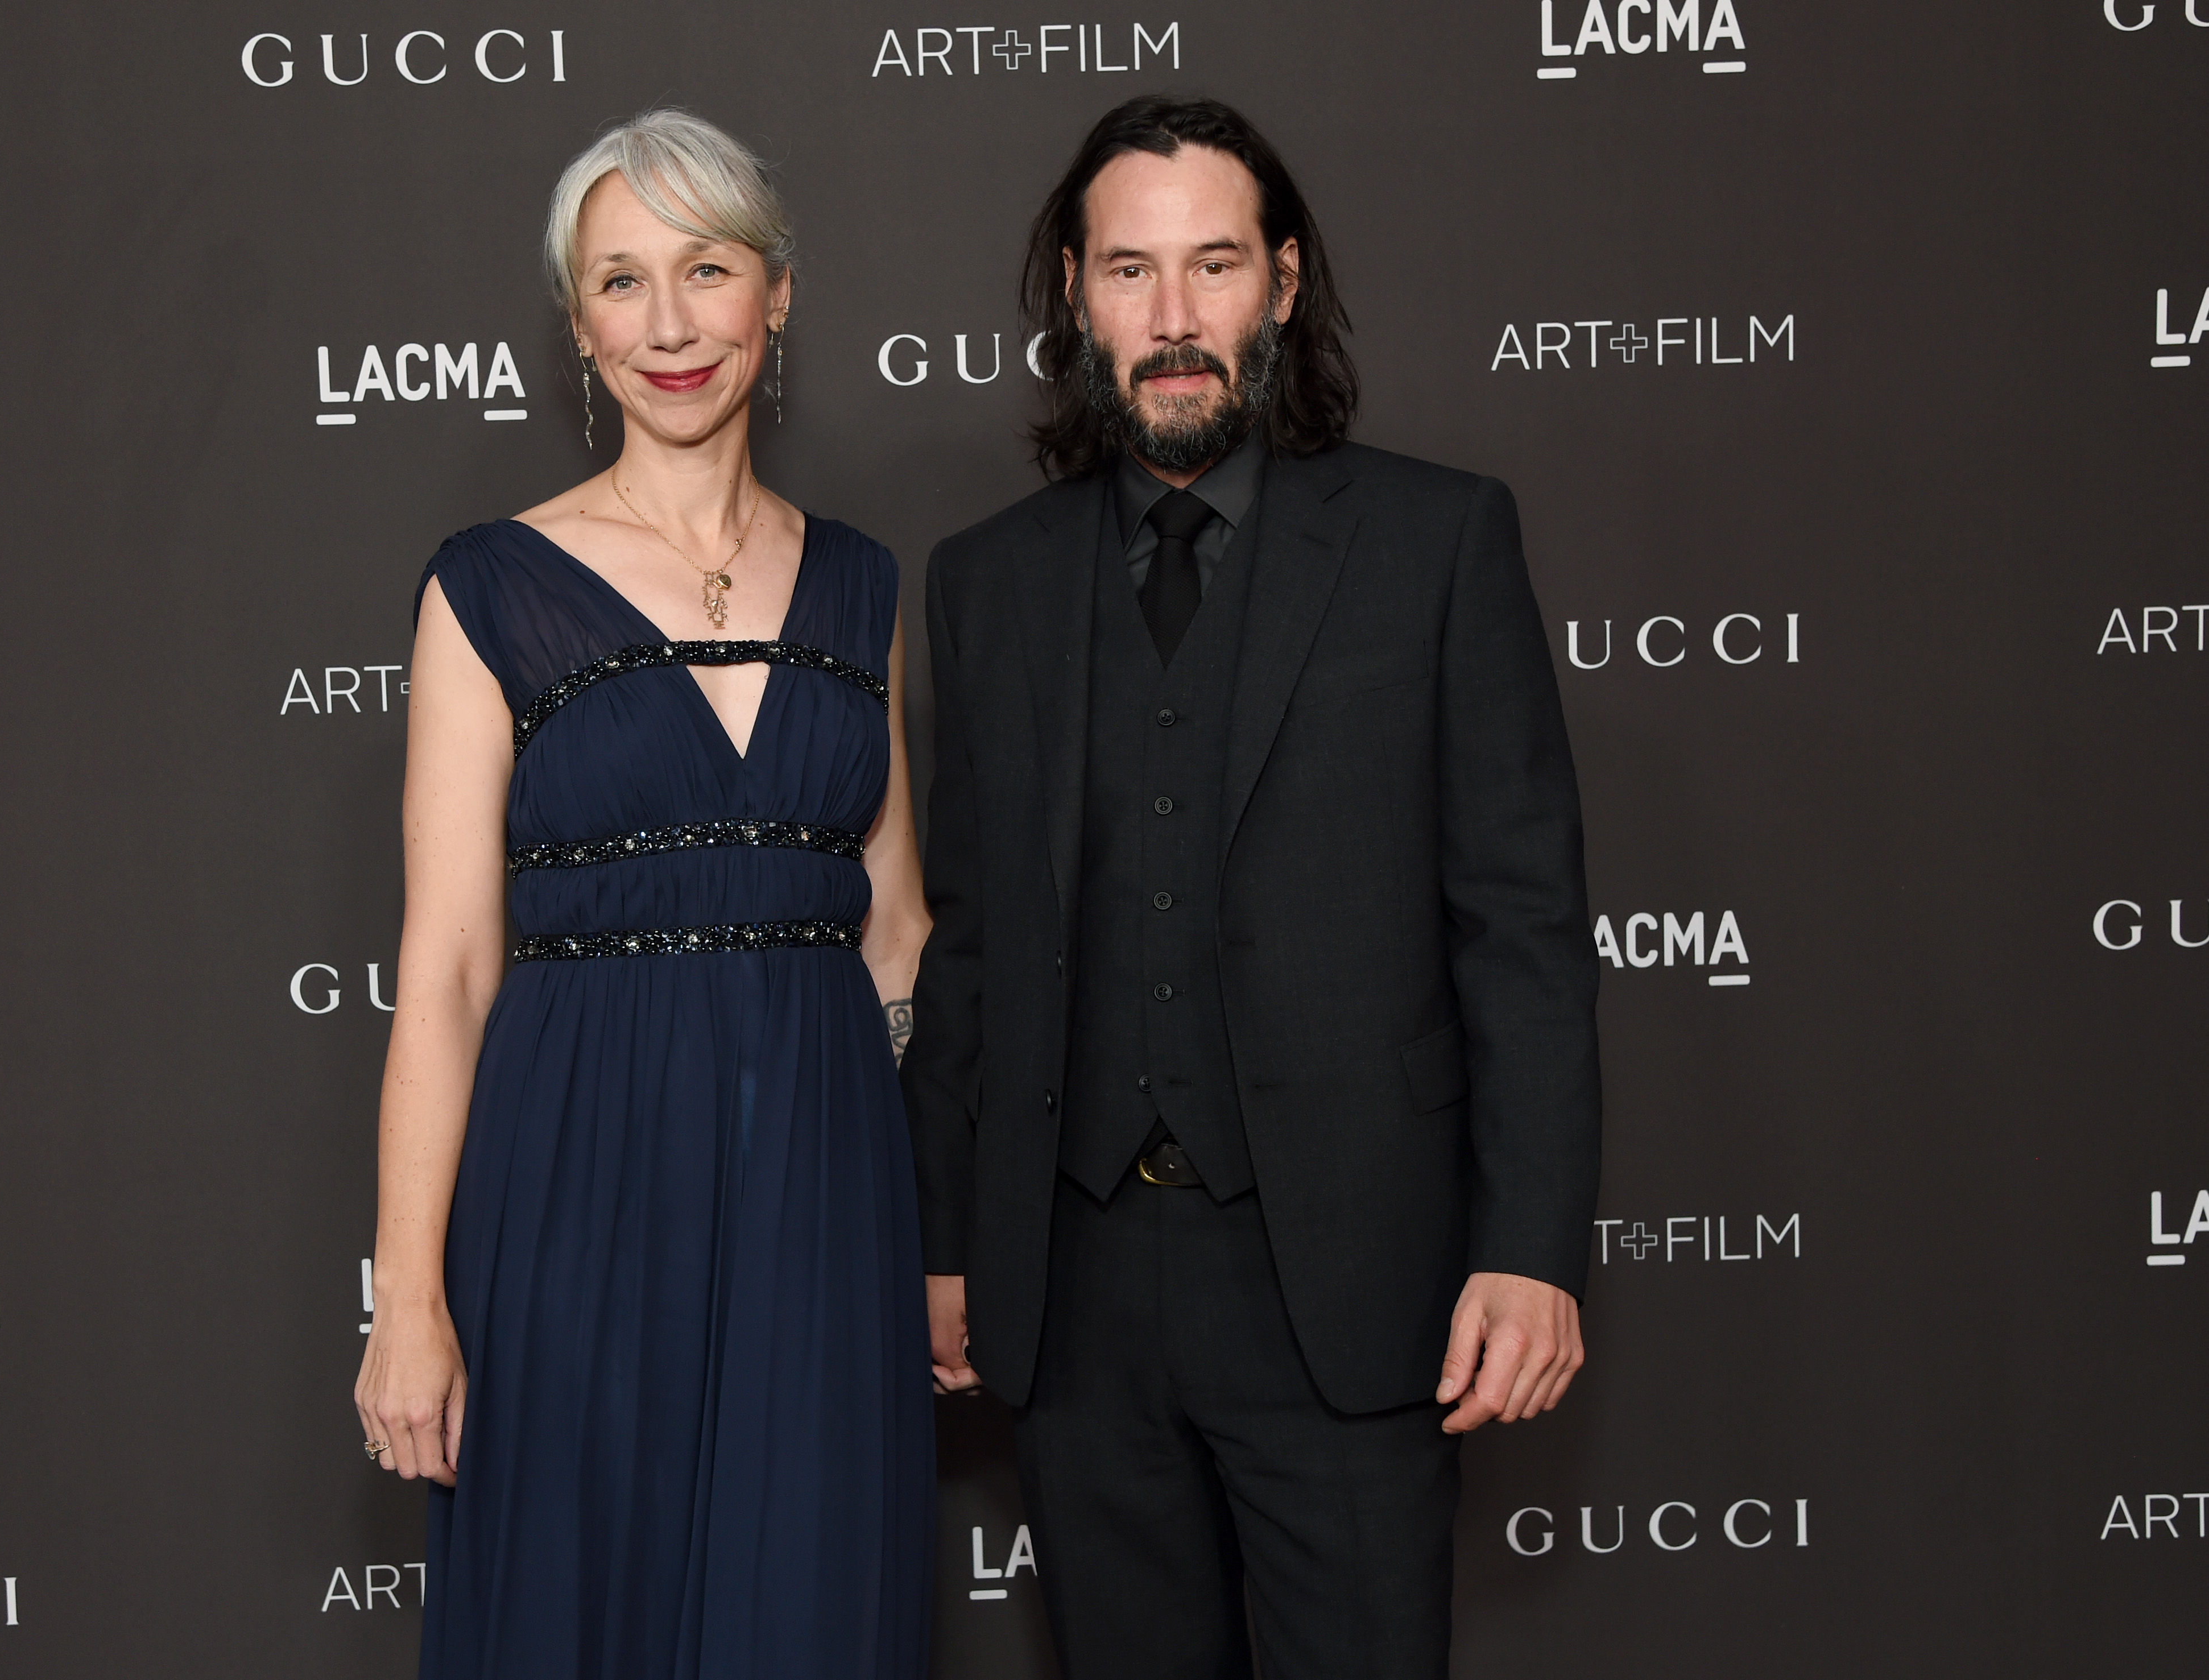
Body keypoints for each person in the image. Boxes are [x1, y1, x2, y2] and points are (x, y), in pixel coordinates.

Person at [901, 94, 1602, 1679]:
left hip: (1352, 1278)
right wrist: (947, 1237)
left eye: (1212, 266)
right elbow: (977, 944)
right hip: (1075, 1297)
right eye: (1129, 270)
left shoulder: (1438, 543)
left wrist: (1535, 1241)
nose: (1172, 318)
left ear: (1283, 283)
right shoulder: (987, 582)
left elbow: (1525, 932)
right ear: (1075, 296)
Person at [352, 109, 933, 1679]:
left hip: (827, 1190)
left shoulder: (866, 587)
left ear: (779, 296)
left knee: (815, 1604)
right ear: (578, 322)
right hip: (575, 1186)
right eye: (623, 282)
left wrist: (929, 1228)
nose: (670, 325)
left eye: (708, 270)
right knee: (578, 1606)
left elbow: (894, 932)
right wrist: (409, 1294)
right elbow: (453, 961)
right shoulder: (488, 585)